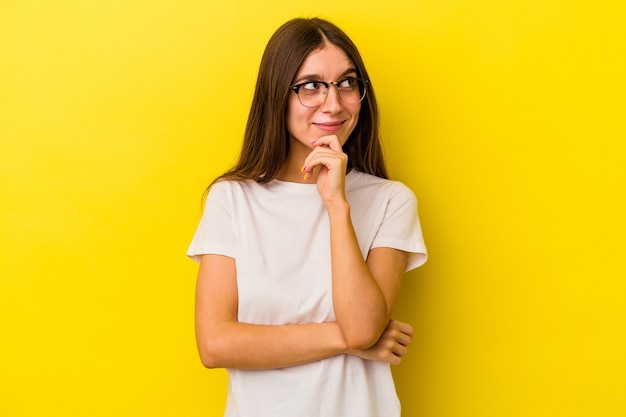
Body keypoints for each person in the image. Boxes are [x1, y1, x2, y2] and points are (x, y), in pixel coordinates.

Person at [187, 17, 427, 417]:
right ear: (277, 95)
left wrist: (336, 204)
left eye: (347, 83)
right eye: (311, 86)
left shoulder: (390, 201)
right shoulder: (232, 199)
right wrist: (346, 339)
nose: (333, 104)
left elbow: (364, 325)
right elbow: (215, 344)